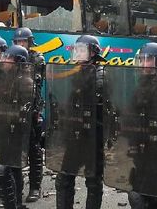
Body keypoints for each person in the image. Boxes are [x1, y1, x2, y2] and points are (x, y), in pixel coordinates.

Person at [55, 35, 105, 209]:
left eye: (82, 49)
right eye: (77, 49)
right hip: (75, 137)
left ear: (93, 53)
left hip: (92, 139)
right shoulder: (77, 74)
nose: (77, 53)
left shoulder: (100, 76)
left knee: (93, 182)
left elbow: (100, 111)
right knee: (63, 179)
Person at [128, 42, 157, 209]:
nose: (144, 64)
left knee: (141, 195)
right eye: (142, 60)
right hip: (140, 146)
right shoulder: (141, 85)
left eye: (148, 60)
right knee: (142, 192)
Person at [0, 44, 30, 209]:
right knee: (13, 169)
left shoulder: (25, 82)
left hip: (15, 132)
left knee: (4, 170)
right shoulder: (6, 78)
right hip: (5, 130)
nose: (4, 60)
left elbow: (23, 111)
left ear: (18, 61)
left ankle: (13, 204)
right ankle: (15, 202)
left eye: (8, 58)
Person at [12, 27, 45, 202]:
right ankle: (15, 185)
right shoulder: (12, 57)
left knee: (34, 150)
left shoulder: (36, 58)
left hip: (32, 108)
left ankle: (35, 187)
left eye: (23, 41)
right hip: (14, 108)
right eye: (17, 42)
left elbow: (34, 82)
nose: (20, 44)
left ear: (30, 42)